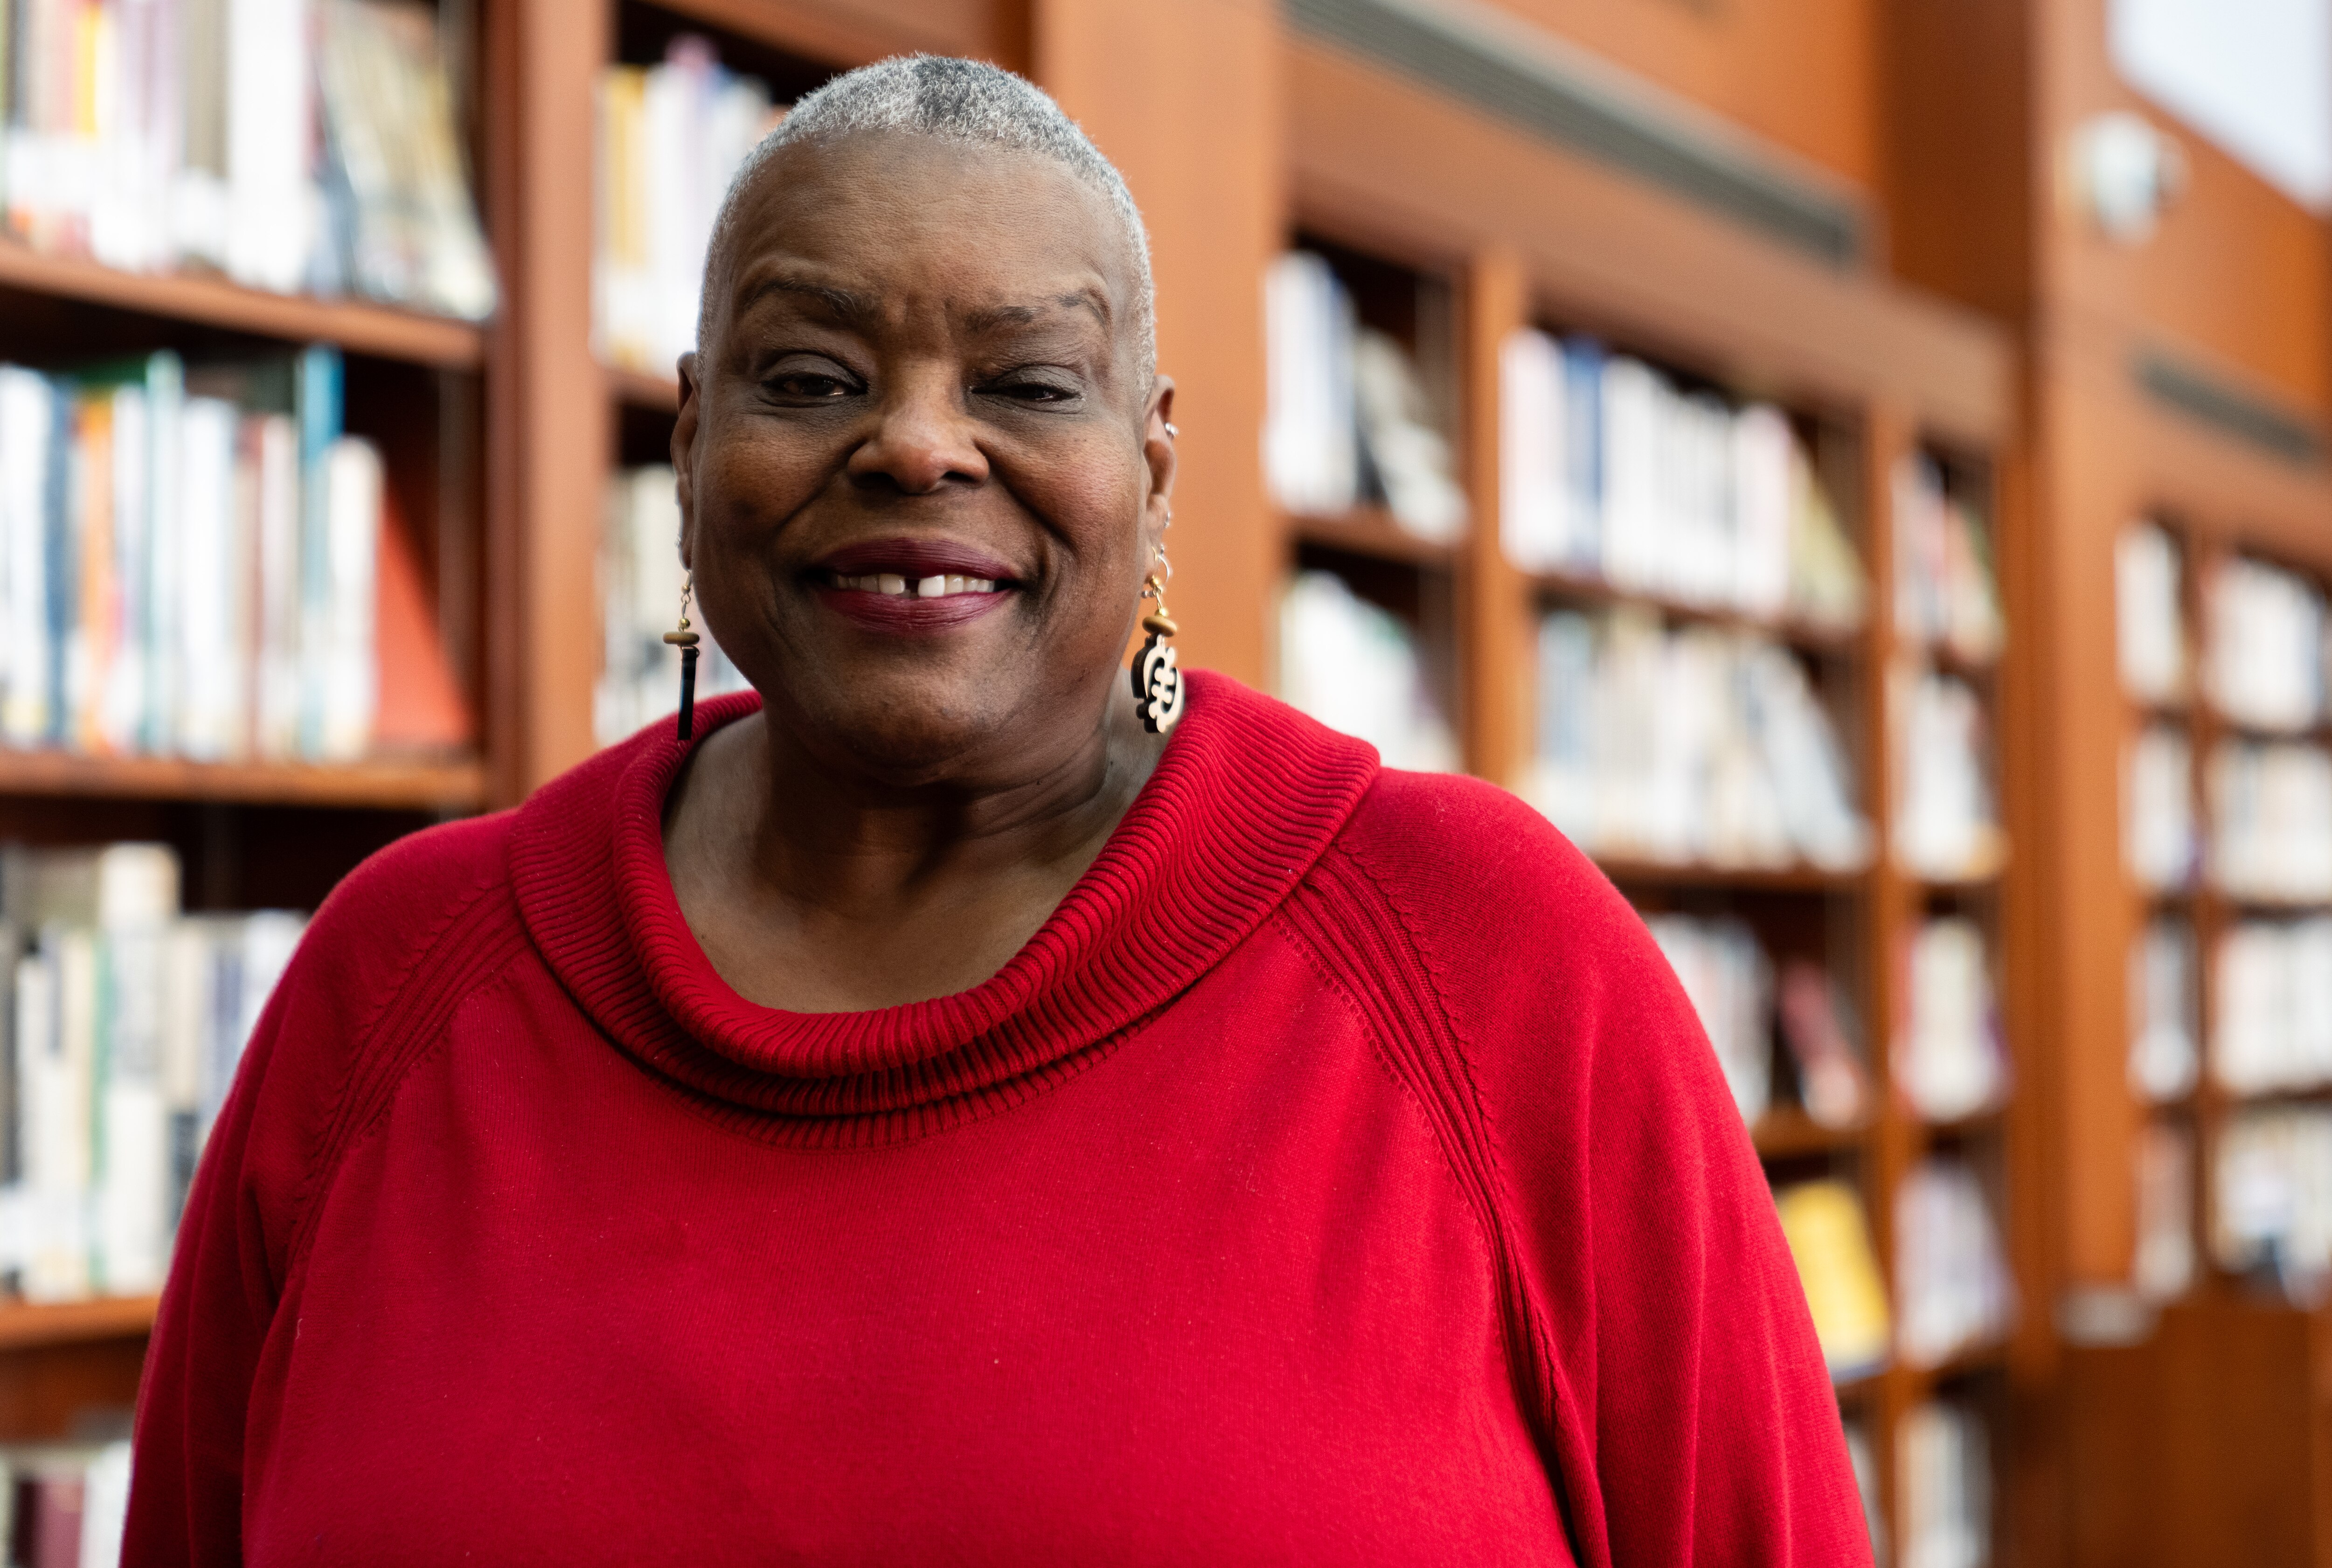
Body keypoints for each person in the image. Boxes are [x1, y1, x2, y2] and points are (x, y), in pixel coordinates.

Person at [126, 56, 1867, 1565]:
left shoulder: (1487, 961)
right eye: (810, 376)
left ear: (1154, 468)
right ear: (687, 441)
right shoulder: (395, 978)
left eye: (1029, 382)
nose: (913, 447)